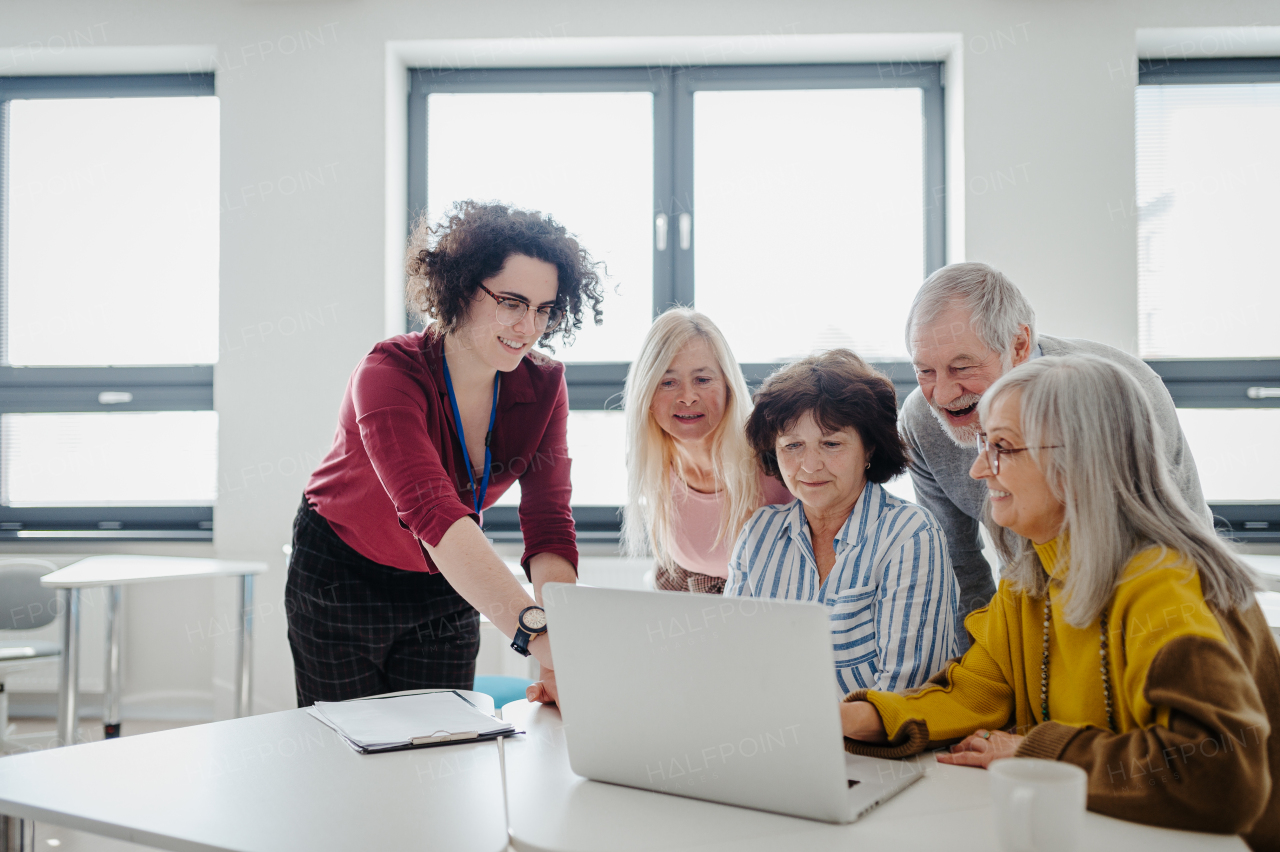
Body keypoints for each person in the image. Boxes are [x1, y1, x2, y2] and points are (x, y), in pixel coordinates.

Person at [840, 355, 1278, 849]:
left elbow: (1219, 769)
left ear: (1081, 462)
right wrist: (855, 718)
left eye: (1001, 446)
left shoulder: (1164, 586)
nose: (980, 468)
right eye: (984, 443)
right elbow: (976, 692)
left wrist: (1035, 749)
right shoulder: (1030, 576)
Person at [285, 200, 604, 708]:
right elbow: (432, 512)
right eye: (511, 302)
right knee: (345, 755)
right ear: (460, 287)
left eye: (544, 309)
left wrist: (560, 648)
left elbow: (547, 522)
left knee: (436, 754)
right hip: (342, 572)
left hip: (447, 578)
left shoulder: (544, 386)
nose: (528, 327)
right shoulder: (387, 374)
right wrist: (539, 638)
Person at [902, 262, 1209, 643]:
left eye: (962, 366)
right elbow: (959, 567)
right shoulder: (920, 421)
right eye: (925, 371)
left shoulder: (1125, 391)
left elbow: (1182, 540)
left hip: (1144, 620)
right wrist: (990, 672)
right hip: (1028, 620)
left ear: (1018, 345)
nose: (944, 394)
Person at [727, 349, 959, 694]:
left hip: (876, 746)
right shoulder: (758, 533)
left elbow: (905, 695)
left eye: (831, 443)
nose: (810, 465)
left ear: (869, 449)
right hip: (771, 738)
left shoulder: (911, 535)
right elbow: (731, 663)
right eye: (792, 445)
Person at [621, 308, 792, 594]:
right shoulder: (651, 464)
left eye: (702, 380)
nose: (687, 397)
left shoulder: (775, 457)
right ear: (647, 396)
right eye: (668, 382)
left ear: (728, 387)